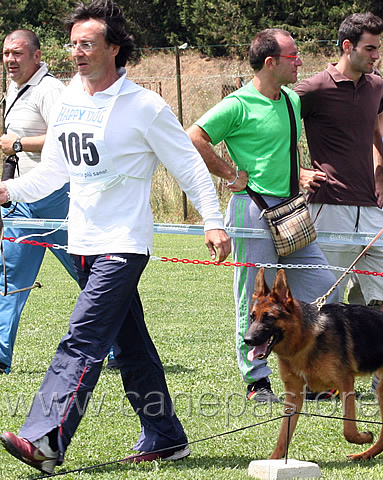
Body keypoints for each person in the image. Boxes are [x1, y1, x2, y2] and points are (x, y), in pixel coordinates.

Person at [0, 0, 230, 474]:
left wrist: (213, 219)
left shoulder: (144, 106)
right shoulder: (68, 100)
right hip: (79, 241)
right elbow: (53, 176)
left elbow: (188, 166)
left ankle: (45, 439)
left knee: (82, 338)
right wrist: (7, 190)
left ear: (115, 49)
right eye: (73, 44)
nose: (77, 52)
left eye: (87, 44)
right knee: (130, 347)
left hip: (122, 244)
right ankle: (166, 437)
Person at [188, 28, 339, 403]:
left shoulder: (291, 100)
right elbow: (193, 137)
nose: (300, 62)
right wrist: (229, 174)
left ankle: (314, 375)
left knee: (321, 288)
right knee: (255, 300)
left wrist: (297, 173)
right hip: (251, 211)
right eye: (293, 56)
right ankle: (257, 381)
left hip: (290, 210)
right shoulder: (237, 104)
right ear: (270, 62)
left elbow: (277, 150)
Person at [295, 12, 383, 320]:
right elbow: (274, 130)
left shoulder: (376, 87)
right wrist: (298, 172)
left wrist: (380, 173)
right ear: (347, 46)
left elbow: (374, 136)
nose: (377, 55)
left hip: (371, 209)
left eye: (378, 47)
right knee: (322, 304)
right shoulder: (313, 88)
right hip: (328, 207)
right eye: (370, 48)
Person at [0, 29, 78, 375]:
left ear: (36, 55)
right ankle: (1, 356)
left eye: (17, 53)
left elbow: (64, 140)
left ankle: (117, 348)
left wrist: (18, 144)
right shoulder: (15, 88)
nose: (10, 60)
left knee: (92, 280)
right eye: (5, 53)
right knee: (9, 280)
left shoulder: (51, 91)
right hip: (22, 203)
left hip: (57, 202)